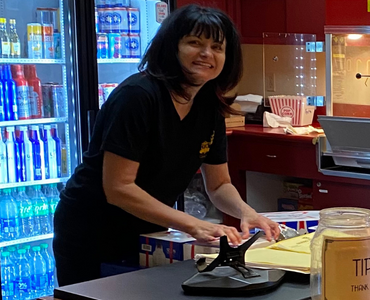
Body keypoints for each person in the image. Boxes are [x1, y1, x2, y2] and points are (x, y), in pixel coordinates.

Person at [53, 5, 280, 286]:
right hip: (92, 229)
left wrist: (248, 213)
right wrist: (193, 224)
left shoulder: (209, 107)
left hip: (150, 230)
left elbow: (220, 186)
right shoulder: (138, 97)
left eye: (217, 47)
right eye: (194, 42)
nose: (206, 54)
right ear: (172, 47)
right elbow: (119, 188)